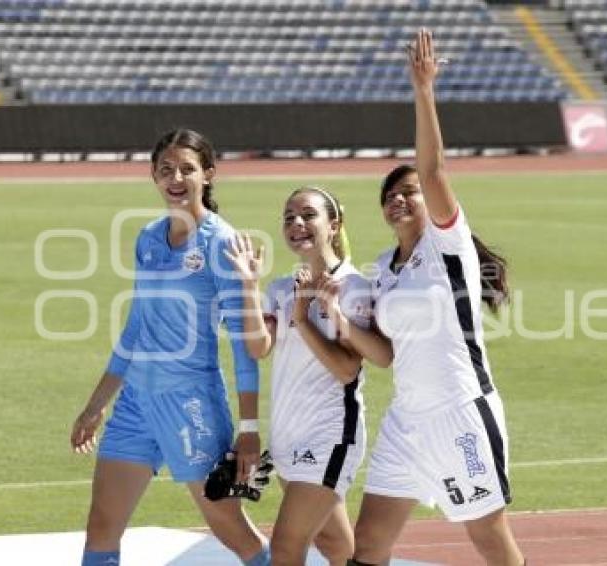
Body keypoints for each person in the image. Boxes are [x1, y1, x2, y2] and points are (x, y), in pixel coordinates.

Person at [339, 31, 526, 565]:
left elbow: (434, 169)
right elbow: (387, 355)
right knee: (370, 541)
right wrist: (336, 318)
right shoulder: (384, 268)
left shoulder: (448, 245)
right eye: (389, 195)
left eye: (409, 192)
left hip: (459, 413)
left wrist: (424, 91)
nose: (400, 198)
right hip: (407, 419)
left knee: (490, 541)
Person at [70, 127, 271, 566]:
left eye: (187, 168)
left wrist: (250, 428)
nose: (175, 177)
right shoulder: (148, 238)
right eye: (166, 169)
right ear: (154, 177)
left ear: (209, 175)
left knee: (230, 529)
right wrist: (97, 403)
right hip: (136, 403)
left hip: (190, 401)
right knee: (103, 523)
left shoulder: (223, 242)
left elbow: (243, 346)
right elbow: (136, 328)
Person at [225, 187, 373, 566]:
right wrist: (249, 285)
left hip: (330, 435)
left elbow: (346, 369)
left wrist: (303, 317)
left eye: (308, 215)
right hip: (288, 437)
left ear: (334, 224)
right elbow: (259, 348)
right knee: (338, 545)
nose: (296, 224)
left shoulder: (354, 288)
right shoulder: (280, 288)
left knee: (287, 549)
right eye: (289, 217)